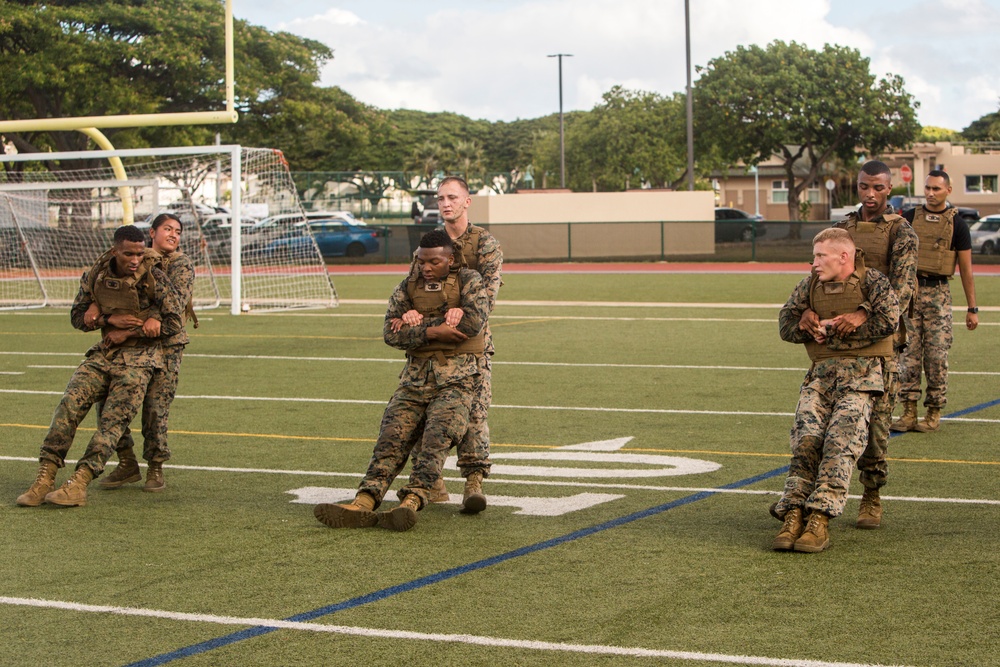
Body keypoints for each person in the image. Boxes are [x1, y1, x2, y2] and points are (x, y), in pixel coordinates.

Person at [313, 229, 489, 532]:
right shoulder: (408, 287)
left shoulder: (470, 281)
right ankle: (365, 500)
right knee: (390, 438)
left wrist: (418, 322)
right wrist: (434, 331)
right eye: (421, 261)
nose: (426, 267)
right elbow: (390, 333)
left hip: (458, 381)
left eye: (433, 261)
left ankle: (412, 501)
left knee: (435, 441)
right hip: (414, 379)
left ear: (449, 260)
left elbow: (471, 325)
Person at [15, 225, 184, 508]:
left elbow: (174, 323)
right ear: (114, 250)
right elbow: (77, 318)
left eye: (139, 254)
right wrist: (106, 320)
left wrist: (136, 329)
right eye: (128, 254)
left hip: (141, 361)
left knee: (111, 423)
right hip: (104, 355)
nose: (134, 260)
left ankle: (79, 481)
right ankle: (45, 477)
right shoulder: (97, 274)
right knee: (69, 404)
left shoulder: (155, 278)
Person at [772, 228, 899, 553]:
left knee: (840, 444)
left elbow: (890, 321)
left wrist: (858, 317)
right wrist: (804, 320)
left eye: (820, 256)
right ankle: (794, 512)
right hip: (820, 377)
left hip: (862, 378)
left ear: (844, 256)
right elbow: (784, 325)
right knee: (806, 442)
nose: (814, 263)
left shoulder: (873, 282)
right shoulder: (810, 286)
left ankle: (820, 518)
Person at [813, 160, 917, 530]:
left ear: (889, 189)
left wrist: (862, 311)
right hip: (838, 344)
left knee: (877, 425)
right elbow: (821, 275)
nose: (869, 195)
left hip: (881, 343)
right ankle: (816, 497)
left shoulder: (902, 232)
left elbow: (903, 290)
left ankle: (872, 494)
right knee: (825, 424)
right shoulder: (843, 228)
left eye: (877, 188)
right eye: (863, 187)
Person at [405, 176, 503, 513]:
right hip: (432, 348)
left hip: (472, 346)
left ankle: (474, 483)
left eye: (452, 197)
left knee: (474, 415)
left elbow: (488, 297)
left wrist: (461, 306)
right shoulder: (430, 244)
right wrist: (411, 317)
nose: (445, 203)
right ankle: (433, 483)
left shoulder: (484, 244)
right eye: (440, 198)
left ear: (466, 201)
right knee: (422, 413)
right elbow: (412, 290)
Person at [96, 213, 196, 492]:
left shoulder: (181, 264)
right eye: (167, 229)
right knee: (108, 404)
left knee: (155, 408)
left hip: (166, 345)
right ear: (152, 232)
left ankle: (155, 466)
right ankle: (126, 462)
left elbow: (172, 307)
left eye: (178, 231)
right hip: (133, 348)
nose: (174, 234)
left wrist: (127, 329)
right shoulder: (136, 260)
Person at [891, 170, 979, 433]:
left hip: (939, 294)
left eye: (937, 189)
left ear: (948, 191)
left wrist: (972, 308)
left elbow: (966, 269)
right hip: (911, 295)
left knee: (937, 357)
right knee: (908, 355)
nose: (930, 193)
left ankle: (933, 412)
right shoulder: (909, 218)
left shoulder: (958, 225)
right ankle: (908, 412)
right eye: (927, 188)